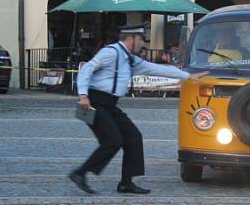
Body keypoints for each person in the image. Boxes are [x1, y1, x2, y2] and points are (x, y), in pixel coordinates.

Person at [69, 28, 207, 194]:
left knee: (133, 137)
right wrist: (83, 95)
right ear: (131, 39)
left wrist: (187, 76)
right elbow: (87, 69)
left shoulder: (132, 60)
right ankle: (80, 173)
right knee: (113, 141)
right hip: (95, 101)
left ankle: (126, 183)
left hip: (111, 104)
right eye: (141, 40)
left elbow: (157, 69)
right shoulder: (111, 53)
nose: (143, 44)